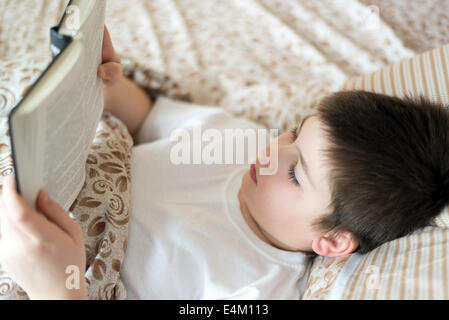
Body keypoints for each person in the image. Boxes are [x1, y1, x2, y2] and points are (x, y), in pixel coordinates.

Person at [1, 26, 449, 300]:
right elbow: (142, 118)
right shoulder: (237, 142)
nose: (271, 152)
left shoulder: (255, 289)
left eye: (295, 175)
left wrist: (55, 289)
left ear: (332, 242)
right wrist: (102, 80)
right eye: (294, 133)